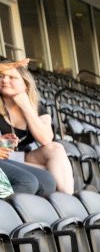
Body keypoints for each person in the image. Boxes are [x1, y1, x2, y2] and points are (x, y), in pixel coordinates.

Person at [0, 60, 73, 194]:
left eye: (12, 77)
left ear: (26, 85)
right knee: (46, 173)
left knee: (56, 149)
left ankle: (67, 197)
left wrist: (26, 106)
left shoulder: (37, 108)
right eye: (1, 76)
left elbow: (46, 139)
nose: (5, 80)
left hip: (22, 157)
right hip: (4, 158)